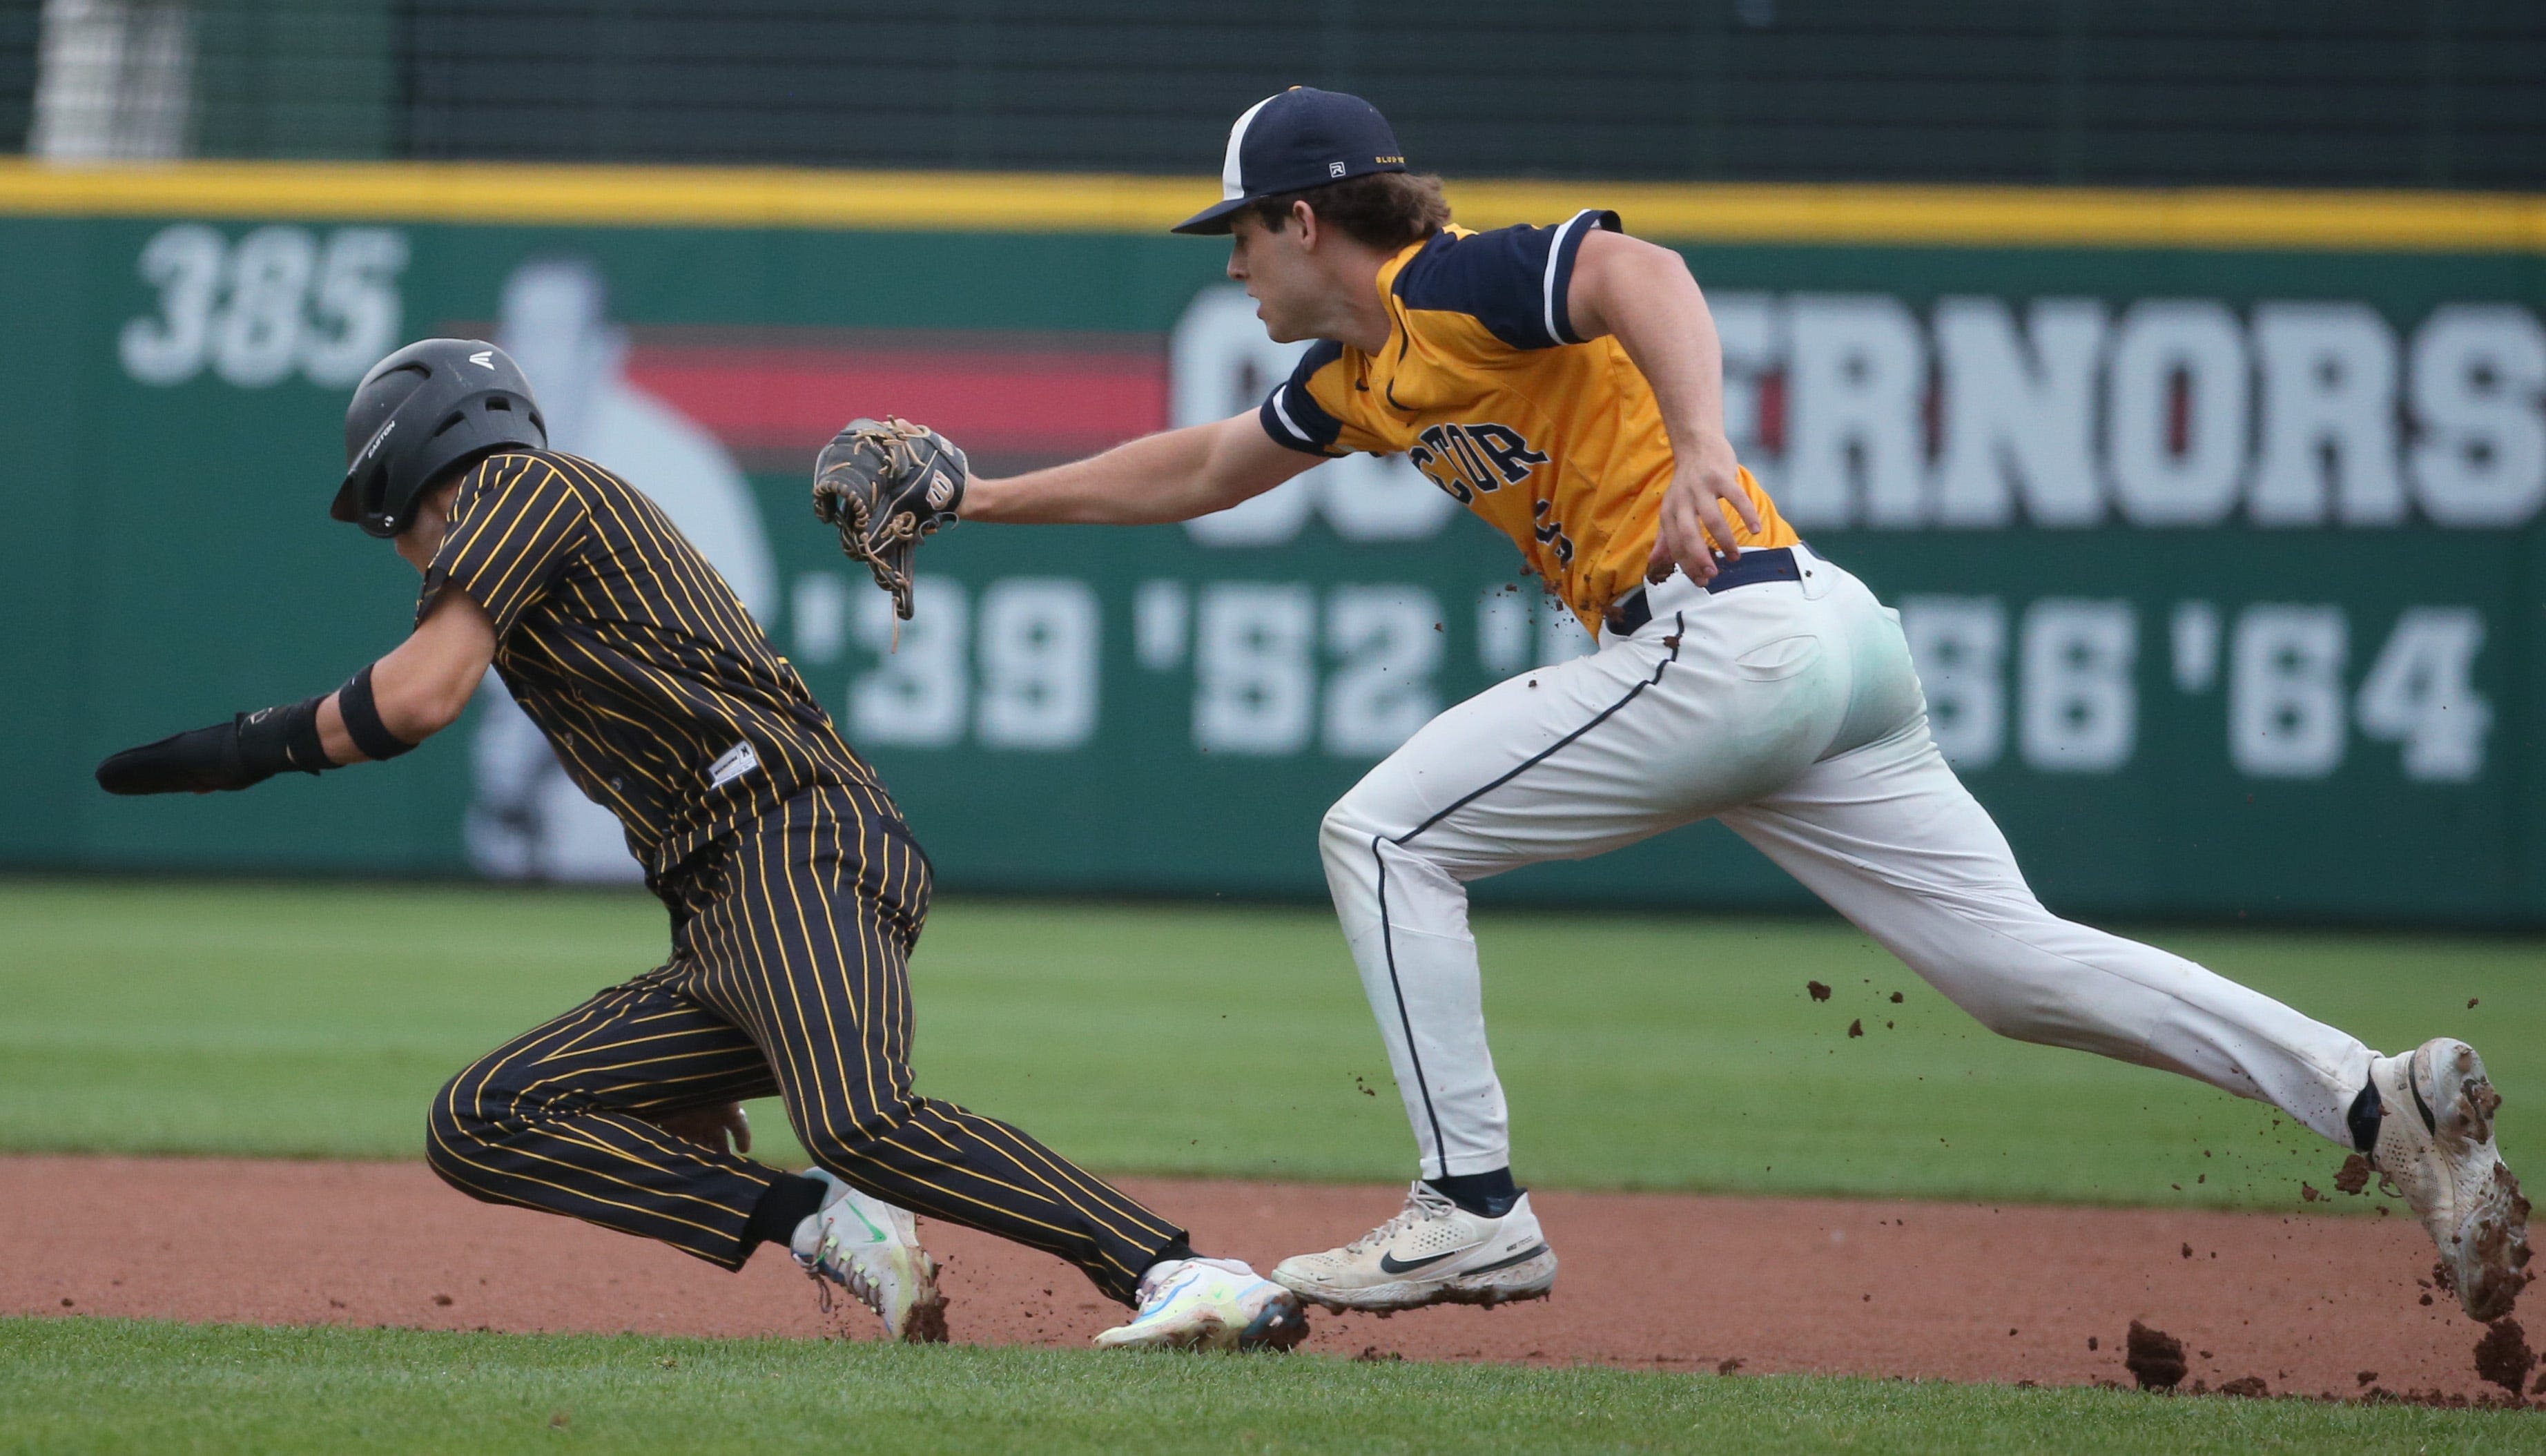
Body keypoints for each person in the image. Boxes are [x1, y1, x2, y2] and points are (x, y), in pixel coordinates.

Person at [946, 88, 2530, 1322]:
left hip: (1725, 638)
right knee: (2009, 968)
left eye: (1239, 232)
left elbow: (1644, 270)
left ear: (1304, 220)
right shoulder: (1357, 376)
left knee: (1377, 834)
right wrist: (973, 499)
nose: (1228, 262)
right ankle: (2366, 1094)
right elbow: (1208, 466)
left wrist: (1700, 437)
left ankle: (1471, 1207)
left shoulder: (1458, 278)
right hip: (1820, 641)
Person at [92, 338, 1308, 1353]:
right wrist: (705, 1049)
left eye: (385, 515)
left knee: (858, 1116)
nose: (396, 546)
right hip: (729, 896)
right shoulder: (541, 546)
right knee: (485, 1116)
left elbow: (413, 703)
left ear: (418, 467)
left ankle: (1175, 1269)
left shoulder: (526, 488)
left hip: (796, 838)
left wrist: (236, 748)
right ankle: (822, 1222)